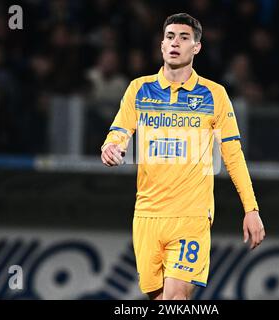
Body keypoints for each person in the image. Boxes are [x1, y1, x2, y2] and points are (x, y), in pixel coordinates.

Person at [101, 13, 265, 300]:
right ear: (162, 45)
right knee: (161, 300)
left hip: (192, 215)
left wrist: (251, 209)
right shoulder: (139, 89)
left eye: (184, 38)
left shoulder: (214, 95)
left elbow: (233, 155)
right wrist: (111, 147)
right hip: (147, 214)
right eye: (169, 37)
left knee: (176, 297)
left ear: (196, 47)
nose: (175, 43)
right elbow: (119, 132)